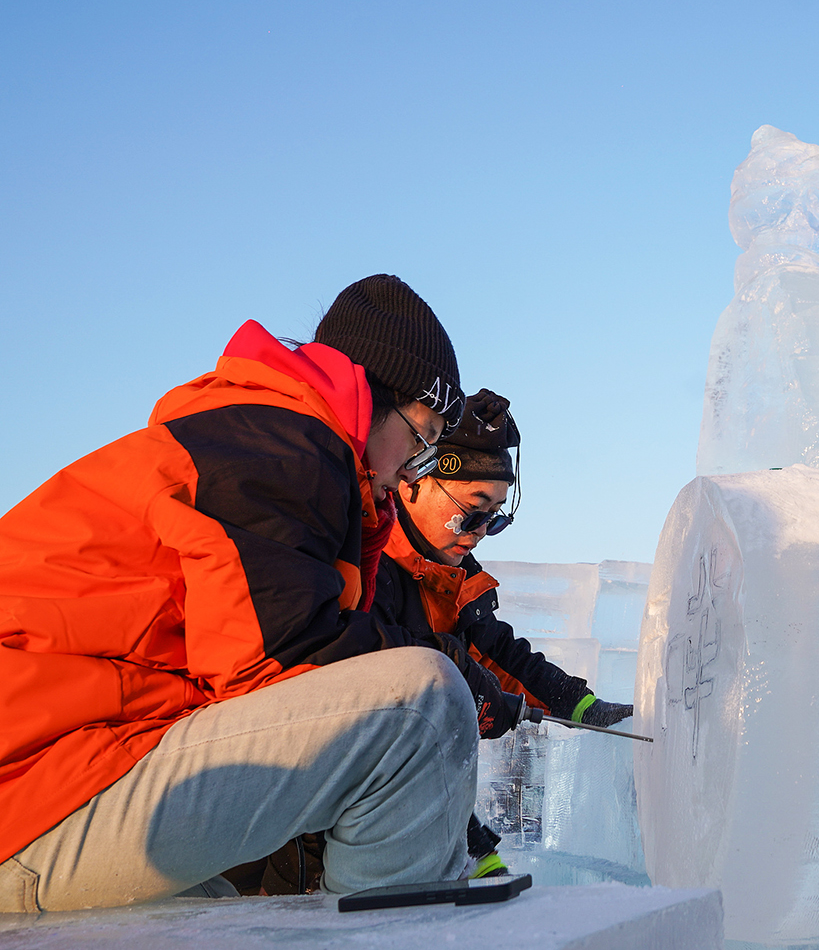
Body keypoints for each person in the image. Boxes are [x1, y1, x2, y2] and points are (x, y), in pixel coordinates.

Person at [0, 274, 496, 912]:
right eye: (422, 436)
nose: (413, 466)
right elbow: (275, 662)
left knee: (216, 916)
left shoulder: (249, 435)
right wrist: (455, 669)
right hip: (32, 793)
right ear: (372, 396)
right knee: (423, 707)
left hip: (53, 776)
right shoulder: (285, 448)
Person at [376, 387, 632, 735]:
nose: (480, 530)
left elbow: (503, 658)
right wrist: (454, 676)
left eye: (495, 518)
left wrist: (581, 707)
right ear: (413, 483)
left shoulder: (458, 585)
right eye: (472, 511)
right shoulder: (368, 563)